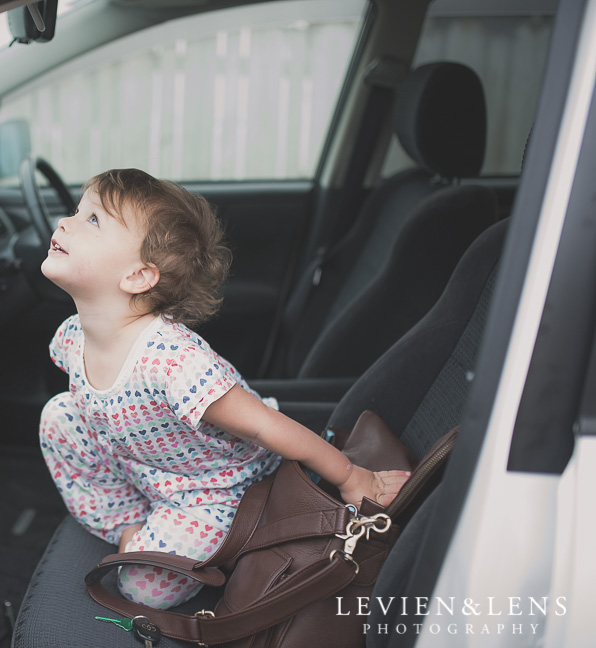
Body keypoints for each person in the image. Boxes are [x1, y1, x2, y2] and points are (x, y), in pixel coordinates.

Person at [38, 168, 410, 609]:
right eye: (77, 212)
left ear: (138, 277)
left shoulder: (174, 362)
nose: (65, 222)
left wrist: (353, 476)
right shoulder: (72, 337)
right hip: (146, 467)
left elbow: (265, 426)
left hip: (215, 487)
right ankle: (130, 525)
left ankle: (218, 538)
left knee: (142, 590)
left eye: (92, 220)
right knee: (58, 415)